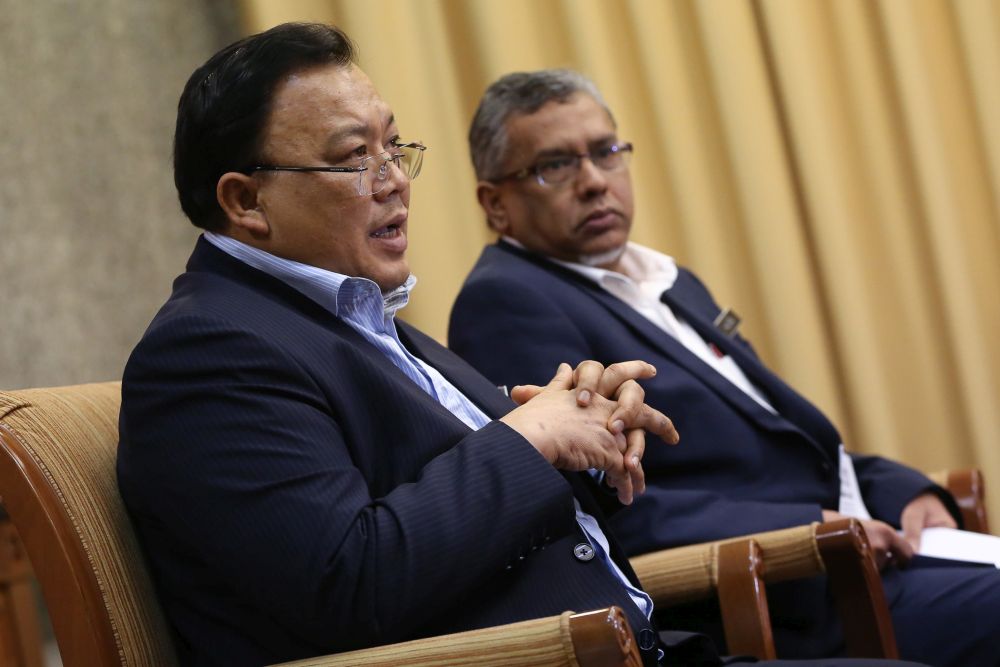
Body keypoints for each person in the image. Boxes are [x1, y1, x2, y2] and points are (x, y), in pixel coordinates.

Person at [448, 68, 1000, 667]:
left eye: (606, 152)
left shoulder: (669, 281)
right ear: (496, 204)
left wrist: (903, 489)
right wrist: (811, 524)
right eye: (554, 165)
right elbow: (597, 509)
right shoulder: (507, 300)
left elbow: (781, 441)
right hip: (791, 594)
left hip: (864, 553)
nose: (593, 182)